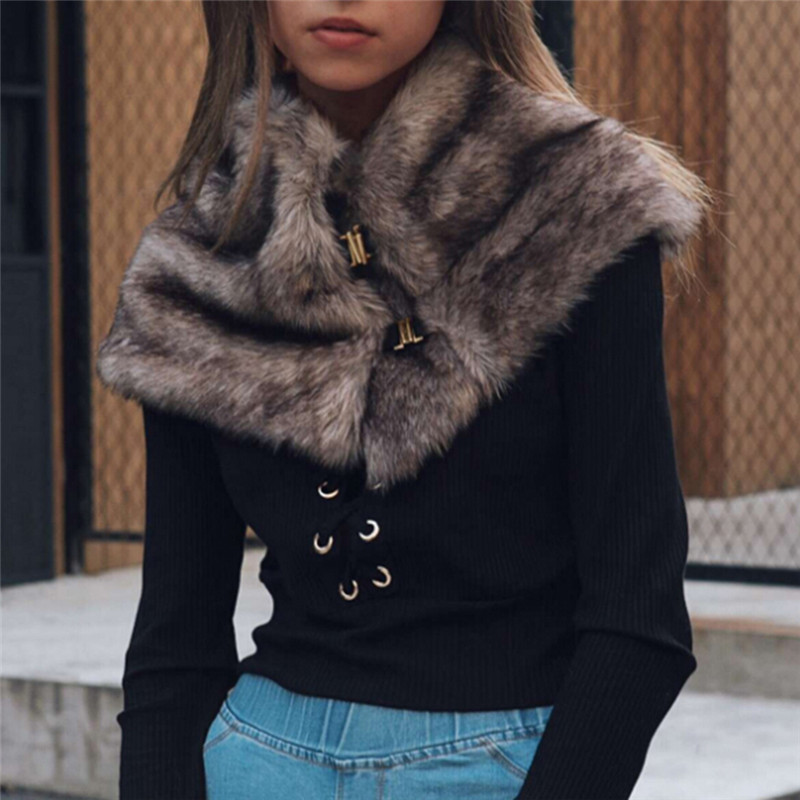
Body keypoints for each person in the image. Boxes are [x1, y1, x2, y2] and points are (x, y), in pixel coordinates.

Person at [96, 2, 713, 799]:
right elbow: (175, 642)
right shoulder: (196, 261)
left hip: (500, 769)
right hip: (254, 762)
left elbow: (640, 617)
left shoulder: (575, 205)